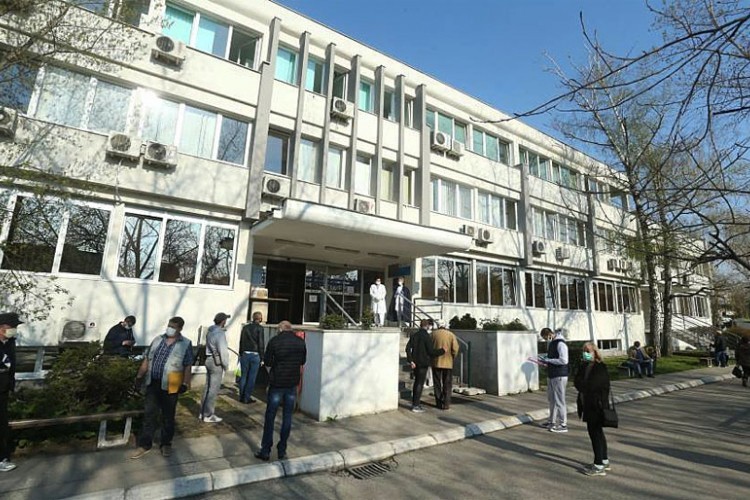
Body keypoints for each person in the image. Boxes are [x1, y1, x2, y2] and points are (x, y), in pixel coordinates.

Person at [131, 317, 193, 459]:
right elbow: (147, 359)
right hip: (153, 382)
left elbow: (187, 365)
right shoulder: (157, 340)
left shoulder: (185, 343)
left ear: (180, 329)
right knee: (149, 414)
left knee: (168, 416)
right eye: (169, 325)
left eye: (174, 327)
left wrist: (185, 383)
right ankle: (144, 445)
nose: (170, 328)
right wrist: (139, 377)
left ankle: (166, 443)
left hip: (172, 382)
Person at [255, 320, 306, 461]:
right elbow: (303, 361)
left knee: (270, 416)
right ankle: (282, 449)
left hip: (277, 382)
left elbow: (268, 362)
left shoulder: (274, 341)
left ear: (280, 329)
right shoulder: (300, 342)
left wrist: (277, 363)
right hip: (292, 383)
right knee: (287, 417)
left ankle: (266, 450)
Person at [574, 342, 612, 476]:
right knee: (597, 433)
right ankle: (604, 460)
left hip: (596, 406)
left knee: (595, 434)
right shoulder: (584, 366)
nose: (586, 353)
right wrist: (582, 385)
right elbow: (577, 381)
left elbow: (594, 386)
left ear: (595, 352)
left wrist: (583, 385)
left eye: (588, 351)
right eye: (584, 351)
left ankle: (598, 464)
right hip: (587, 404)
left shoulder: (600, 367)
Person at [405, 319, 445, 413]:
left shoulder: (414, 335)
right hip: (423, 363)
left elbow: (407, 348)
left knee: (416, 383)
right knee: (420, 384)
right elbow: (431, 351)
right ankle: (416, 405)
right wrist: (442, 350)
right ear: (427, 326)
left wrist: (411, 361)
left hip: (415, 363)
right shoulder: (426, 336)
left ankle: (415, 403)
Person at [0, 312, 23, 473]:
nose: (14, 329)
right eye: (12, 326)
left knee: (2, 424)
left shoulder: (10, 343)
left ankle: (2, 458)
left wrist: (11, 384)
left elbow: (11, 366)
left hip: (3, 389)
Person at [200, 313, 230, 423]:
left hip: (208, 359)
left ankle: (202, 412)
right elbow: (223, 351)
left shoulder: (210, 331)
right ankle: (208, 415)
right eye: (225, 320)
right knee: (213, 389)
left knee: (207, 387)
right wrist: (226, 365)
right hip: (216, 362)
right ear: (223, 321)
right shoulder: (220, 333)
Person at [539, 327, 569, 433]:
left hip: (559, 375)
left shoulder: (560, 343)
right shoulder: (552, 343)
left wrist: (549, 360)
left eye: (545, 338)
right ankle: (551, 421)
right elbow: (553, 358)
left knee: (560, 400)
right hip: (552, 374)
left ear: (549, 334)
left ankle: (563, 424)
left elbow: (564, 360)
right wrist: (545, 362)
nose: (546, 340)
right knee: (552, 400)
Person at [431, 320, 459, 410]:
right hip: (447, 362)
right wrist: (452, 357)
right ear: (445, 325)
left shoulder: (432, 334)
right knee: (447, 383)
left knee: (437, 383)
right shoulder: (451, 335)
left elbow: (429, 348)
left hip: (436, 362)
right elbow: (455, 348)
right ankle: (446, 403)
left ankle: (438, 402)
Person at [239, 311, 265, 404]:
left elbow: (241, 341)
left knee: (243, 376)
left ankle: (241, 396)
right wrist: (262, 357)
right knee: (252, 377)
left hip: (245, 353)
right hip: (255, 354)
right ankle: (247, 397)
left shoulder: (245, 327)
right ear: (260, 319)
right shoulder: (260, 328)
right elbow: (261, 343)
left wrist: (241, 352)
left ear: (253, 318)